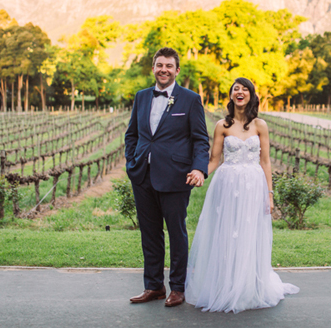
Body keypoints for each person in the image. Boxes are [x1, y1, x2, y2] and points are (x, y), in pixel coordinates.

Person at [185, 77, 299, 313]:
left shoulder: (260, 125)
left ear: (251, 95)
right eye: (236, 89)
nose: (240, 92)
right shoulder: (221, 126)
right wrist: (199, 174)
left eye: (244, 89)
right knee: (227, 233)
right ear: (231, 96)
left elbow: (265, 161)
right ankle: (225, 286)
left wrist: (269, 194)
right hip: (227, 185)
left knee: (250, 234)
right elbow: (214, 160)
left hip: (254, 185)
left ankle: (248, 287)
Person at [124, 47, 210, 307]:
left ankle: (178, 288)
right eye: (159, 65)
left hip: (176, 177)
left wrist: (199, 168)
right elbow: (132, 134)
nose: (163, 69)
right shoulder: (140, 97)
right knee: (149, 234)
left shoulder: (191, 99)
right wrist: (132, 163)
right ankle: (153, 286)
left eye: (169, 66)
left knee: (176, 233)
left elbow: (200, 139)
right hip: (143, 176)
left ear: (177, 70)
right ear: (153, 68)